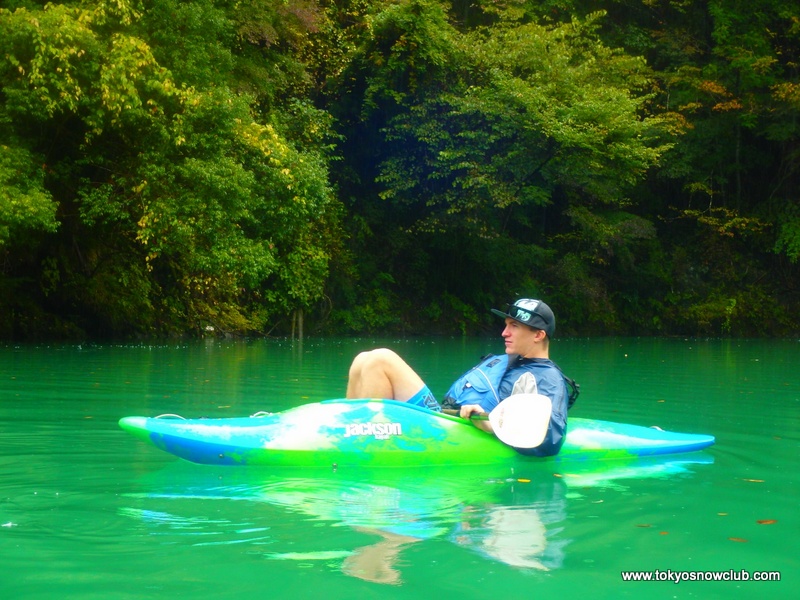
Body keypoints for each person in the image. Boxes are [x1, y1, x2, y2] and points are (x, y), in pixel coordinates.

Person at [345, 298, 569, 456]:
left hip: (453, 434)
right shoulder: (508, 361)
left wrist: (491, 424)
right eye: (506, 325)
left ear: (539, 335)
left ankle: (362, 443)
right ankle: (348, 430)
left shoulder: (547, 378)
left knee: (381, 360)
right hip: (444, 419)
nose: (504, 333)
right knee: (362, 360)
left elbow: (551, 437)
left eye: (514, 326)